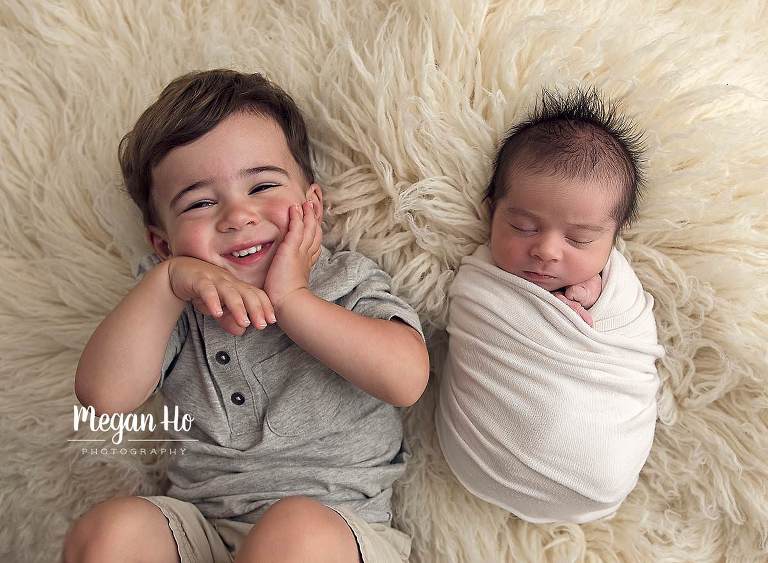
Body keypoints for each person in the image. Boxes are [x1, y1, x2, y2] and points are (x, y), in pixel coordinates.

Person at [64, 69, 430, 563]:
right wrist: (167, 282)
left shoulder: (344, 281)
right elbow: (103, 399)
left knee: (293, 533)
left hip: (335, 530)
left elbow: (406, 379)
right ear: (162, 242)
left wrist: (295, 299)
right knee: (111, 532)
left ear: (312, 206)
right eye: (201, 202)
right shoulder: (173, 305)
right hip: (204, 533)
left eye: (261, 186)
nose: (237, 216)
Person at [435, 88, 665, 523]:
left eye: (579, 240)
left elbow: (628, 342)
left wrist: (596, 305)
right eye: (522, 226)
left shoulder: (619, 291)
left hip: (602, 471)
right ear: (491, 211)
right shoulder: (482, 284)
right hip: (482, 459)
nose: (546, 250)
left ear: (615, 235)